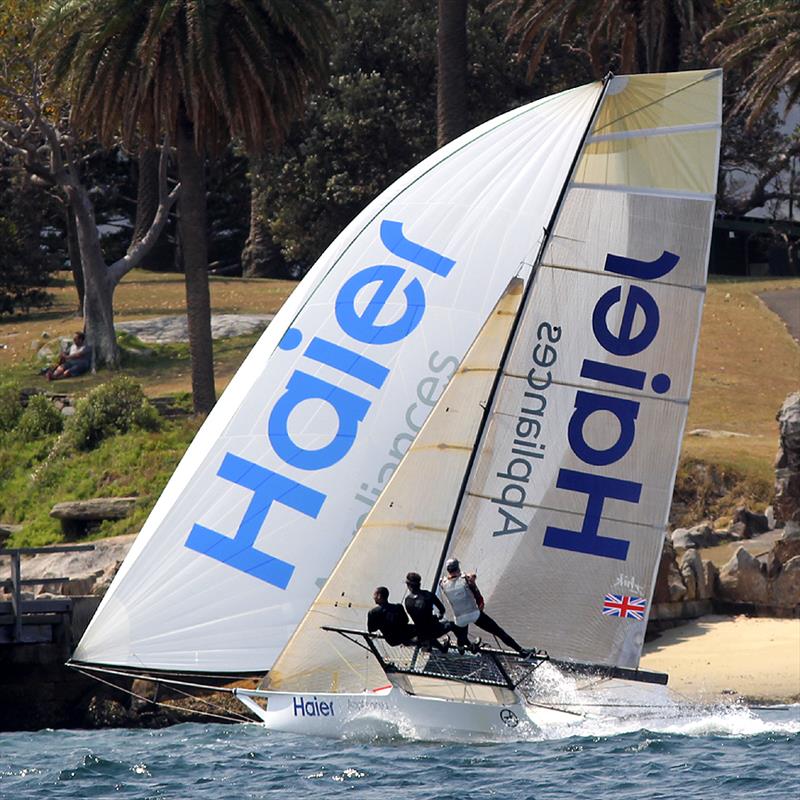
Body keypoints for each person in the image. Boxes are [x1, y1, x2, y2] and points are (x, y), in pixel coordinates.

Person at [440, 558, 530, 656]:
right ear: (458, 567)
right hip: (474, 614)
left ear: (448, 570)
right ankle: (521, 651)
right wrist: (480, 604)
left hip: (459, 618)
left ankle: (461, 647)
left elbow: (449, 580)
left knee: (461, 636)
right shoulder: (466, 579)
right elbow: (477, 595)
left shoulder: (443, 584)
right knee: (499, 632)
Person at [403, 572, 450, 652]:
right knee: (451, 625)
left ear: (408, 585)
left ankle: (430, 645)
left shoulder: (407, 601)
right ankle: (463, 645)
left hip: (421, 632)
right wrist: (439, 615)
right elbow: (442, 609)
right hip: (434, 628)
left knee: (427, 634)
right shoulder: (428, 595)